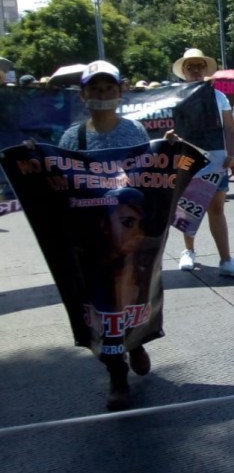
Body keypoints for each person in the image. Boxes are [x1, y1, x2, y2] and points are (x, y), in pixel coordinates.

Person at [57, 61, 154, 411]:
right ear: (83, 94)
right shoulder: (73, 137)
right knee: (102, 304)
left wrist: (168, 149)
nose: (102, 95)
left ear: (120, 92)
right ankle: (117, 376)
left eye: (108, 89)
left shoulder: (135, 132)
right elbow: (61, 183)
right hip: (95, 239)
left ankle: (138, 341)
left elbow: (152, 176)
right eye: (95, 89)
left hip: (130, 234)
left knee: (135, 295)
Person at [172, 48, 234, 278]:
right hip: (187, 160)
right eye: (190, 66)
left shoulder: (219, 96)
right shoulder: (175, 96)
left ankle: (226, 260)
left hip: (216, 160)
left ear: (206, 69)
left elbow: (229, 129)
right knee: (188, 207)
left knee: (217, 208)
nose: (195, 70)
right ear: (184, 71)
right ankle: (189, 251)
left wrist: (232, 155)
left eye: (199, 66)